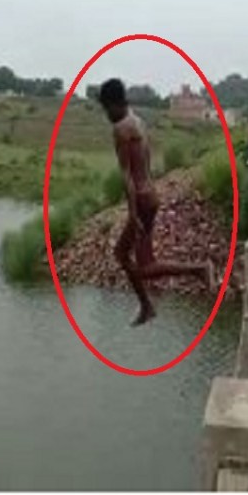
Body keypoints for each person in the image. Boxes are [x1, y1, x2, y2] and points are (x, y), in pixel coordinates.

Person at [97, 78, 214, 326]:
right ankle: (152, 302)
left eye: (106, 109)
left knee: (127, 257)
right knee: (143, 262)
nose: (106, 115)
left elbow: (127, 175)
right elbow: (145, 164)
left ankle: (191, 274)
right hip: (151, 194)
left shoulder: (120, 128)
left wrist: (132, 214)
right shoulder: (138, 121)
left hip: (141, 200)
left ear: (114, 103)